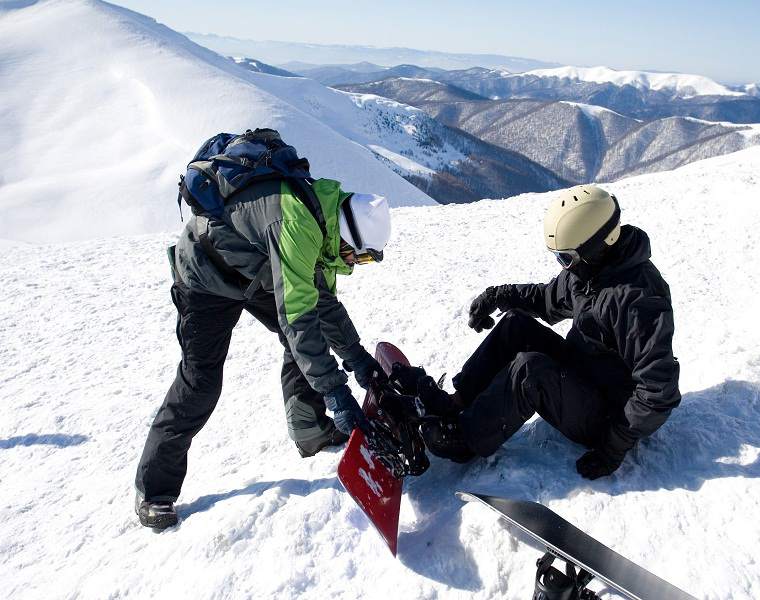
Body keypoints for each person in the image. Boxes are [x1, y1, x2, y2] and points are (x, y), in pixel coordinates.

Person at [135, 133, 390, 529]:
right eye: (358, 255)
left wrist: (359, 362)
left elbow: (323, 305)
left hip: (254, 270)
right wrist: (338, 394)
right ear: (347, 236)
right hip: (205, 275)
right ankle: (155, 490)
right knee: (200, 380)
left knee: (303, 342)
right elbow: (301, 318)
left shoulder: (322, 218)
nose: (355, 264)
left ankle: (310, 430)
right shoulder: (299, 224)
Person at [401, 185, 680, 480]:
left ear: (597, 245)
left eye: (565, 258)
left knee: (530, 371)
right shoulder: (591, 271)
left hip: (610, 416)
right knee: (515, 326)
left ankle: (465, 438)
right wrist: (498, 296)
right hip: (588, 372)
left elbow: (658, 390)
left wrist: (612, 448)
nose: (563, 266)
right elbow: (548, 299)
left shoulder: (637, 300)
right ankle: (457, 403)